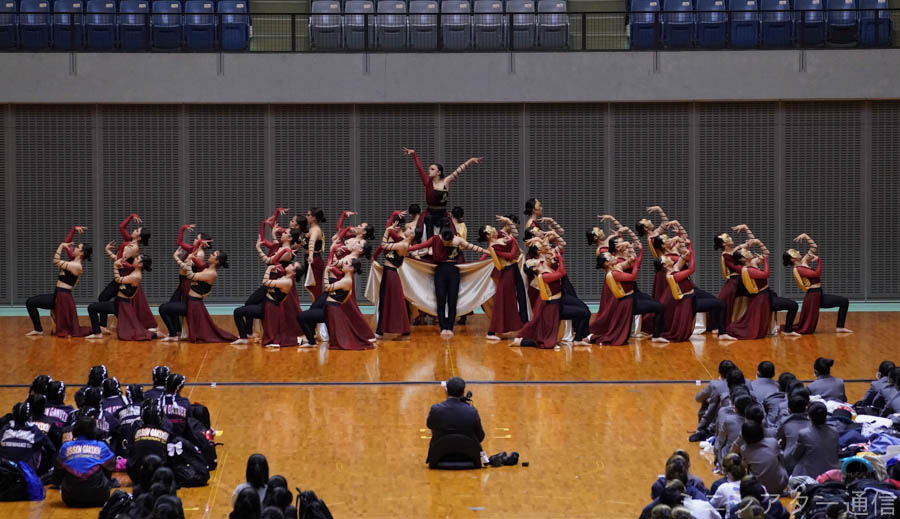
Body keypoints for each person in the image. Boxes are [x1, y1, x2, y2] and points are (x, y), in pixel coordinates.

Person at [407, 228, 488, 337]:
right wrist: (404, 248)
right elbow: (419, 246)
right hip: (440, 271)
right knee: (440, 301)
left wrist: (488, 252)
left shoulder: (458, 240)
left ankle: (450, 327)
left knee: (452, 301)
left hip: (453, 271)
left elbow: (473, 247)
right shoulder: (435, 239)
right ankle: (443, 327)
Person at [25, 225, 93, 337]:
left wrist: (61, 245)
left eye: (77, 247)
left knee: (30, 302)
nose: (74, 248)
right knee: (30, 302)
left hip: (63, 298)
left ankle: (38, 330)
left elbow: (56, 261)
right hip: (58, 295)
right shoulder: (72, 260)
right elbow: (67, 244)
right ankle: (38, 329)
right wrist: (73, 230)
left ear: (81, 253)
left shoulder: (76, 266)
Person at [402, 147, 482, 240]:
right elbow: (420, 169)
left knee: (446, 238)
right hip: (430, 215)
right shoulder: (428, 182)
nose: (429, 171)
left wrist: (470, 161)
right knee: (426, 236)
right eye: (429, 169)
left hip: (442, 215)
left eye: (432, 169)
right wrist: (414, 155)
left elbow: (459, 170)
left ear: (439, 172)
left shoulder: (446, 181)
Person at [159, 249, 237, 343]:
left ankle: (173, 335)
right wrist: (177, 257)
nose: (210, 255)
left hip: (194, 305)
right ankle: (174, 334)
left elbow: (191, 276)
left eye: (213, 254)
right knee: (165, 308)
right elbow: (186, 267)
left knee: (163, 308)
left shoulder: (211, 273)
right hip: (190, 302)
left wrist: (189, 260)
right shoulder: (206, 268)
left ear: (216, 261)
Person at [784, 234, 852, 334]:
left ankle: (840, 327)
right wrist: (819, 261)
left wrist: (806, 236)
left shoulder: (804, 261)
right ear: (792, 259)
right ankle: (786, 328)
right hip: (813, 295)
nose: (798, 252)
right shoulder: (799, 269)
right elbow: (816, 274)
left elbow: (814, 247)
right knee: (843, 302)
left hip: (818, 293)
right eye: (794, 253)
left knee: (844, 301)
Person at [86, 253, 157, 340]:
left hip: (123, 306)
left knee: (133, 331)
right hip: (118, 303)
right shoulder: (134, 271)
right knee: (92, 308)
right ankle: (98, 333)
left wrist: (115, 267)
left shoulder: (136, 276)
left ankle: (155, 335)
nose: (134, 259)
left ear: (140, 264)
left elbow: (118, 280)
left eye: (137, 258)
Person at [57, 416, 117, 508]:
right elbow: (112, 466)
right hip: (99, 498)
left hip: (70, 498)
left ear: (75, 429)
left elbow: (58, 469)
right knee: (106, 466)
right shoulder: (101, 446)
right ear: (94, 430)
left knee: (63, 466)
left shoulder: (66, 446)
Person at [425, 377, 485, 465]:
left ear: (446, 391)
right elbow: (480, 436)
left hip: (439, 458)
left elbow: (430, 425)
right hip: (468, 458)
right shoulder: (472, 411)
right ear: (463, 392)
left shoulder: (435, 410)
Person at [0, 402, 56, 475]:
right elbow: (51, 449)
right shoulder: (34, 431)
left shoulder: (5, 429)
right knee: (40, 448)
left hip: (3, 470)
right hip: (24, 474)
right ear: (30, 416)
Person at [789, 402, 840, 478]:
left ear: (809, 417)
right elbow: (837, 451)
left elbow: (795, 455)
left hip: (811, 475)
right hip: (832, 473)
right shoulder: (835, 431)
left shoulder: (804, 434)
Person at [740, 421, 788, 496]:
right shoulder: (773, 442)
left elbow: (745, 466)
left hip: (760, 488)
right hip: (781, 484)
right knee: (779, 458)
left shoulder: (744, 449)